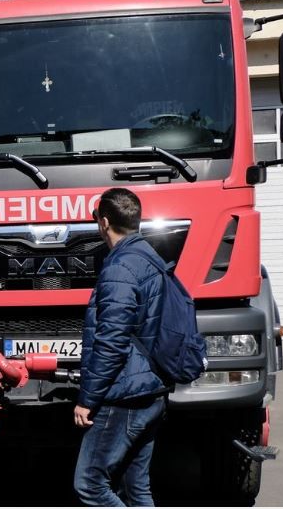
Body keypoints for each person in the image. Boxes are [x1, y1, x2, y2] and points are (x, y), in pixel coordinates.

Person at [73, 188, 170, 507]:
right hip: (151, 388)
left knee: (90, 484)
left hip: (124, 393)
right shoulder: (150, 257)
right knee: (136, 487)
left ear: (103, 222)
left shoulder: (120, 267)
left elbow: (112, 341)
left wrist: (87, 399)